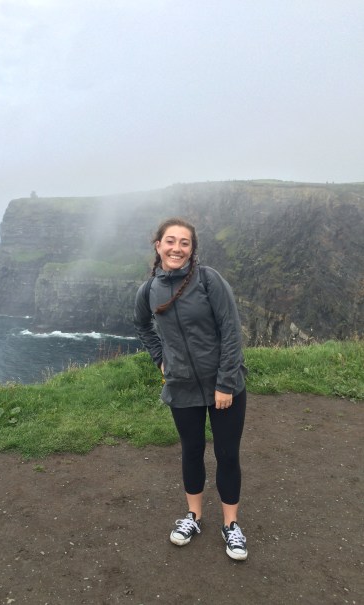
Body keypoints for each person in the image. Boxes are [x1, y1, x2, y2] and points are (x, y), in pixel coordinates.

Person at [133, 217, 248, 560]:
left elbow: (231, 331)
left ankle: (231, 525)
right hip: (181, 387)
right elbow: (142, 325)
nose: (177, 248)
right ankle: (193, 517)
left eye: (185, 243)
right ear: (158, 245)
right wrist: (160, 359)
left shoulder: (209, 280)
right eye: (171, 241)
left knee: (227, 454)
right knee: (192, 451)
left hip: (224, 386)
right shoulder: (149, 290)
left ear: (192, 249)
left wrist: (225, 383)